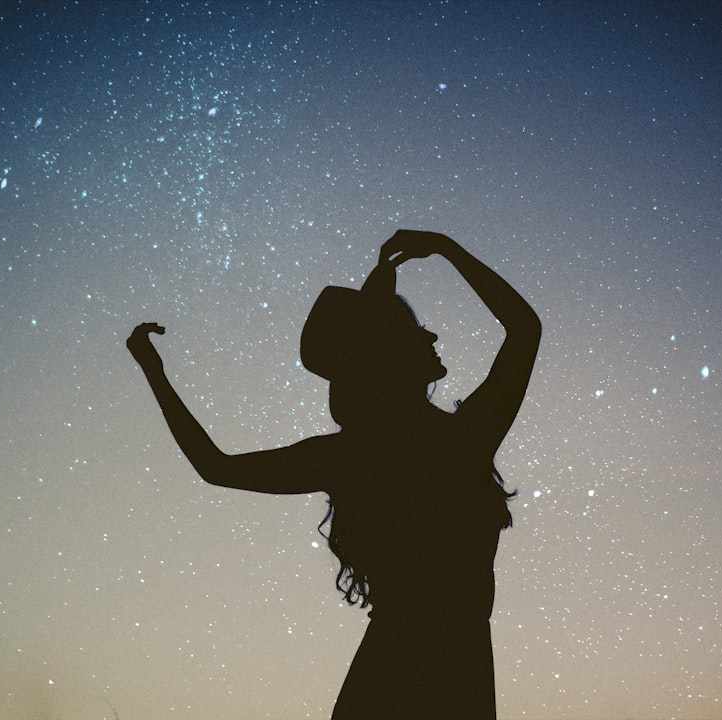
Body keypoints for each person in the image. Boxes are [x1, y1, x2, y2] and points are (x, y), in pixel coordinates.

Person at [127, 229, 541, 719]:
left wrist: (153, 372)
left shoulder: (351, 455)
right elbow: (523, 329)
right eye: (415, 332)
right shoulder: (463, 440)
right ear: (389, 359)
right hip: (454, 669)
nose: (430, 335)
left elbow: (215, 466)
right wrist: (447, 249)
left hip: (399, 669)